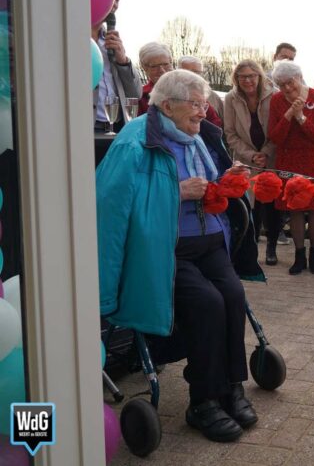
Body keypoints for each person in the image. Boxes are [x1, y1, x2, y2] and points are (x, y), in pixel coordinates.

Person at [96, 69, 261, 443]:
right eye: (196, 104)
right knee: (206, 303)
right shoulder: (135, 141)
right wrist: (178, 191)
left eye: (205, 104)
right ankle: (202, 401)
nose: (204, 112)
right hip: (166, 249)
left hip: (209, 241)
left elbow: (211, 184)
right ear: (167, 105)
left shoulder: (199, 137)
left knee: (233, 297)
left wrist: (228, 180)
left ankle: (231, 387)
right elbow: (112, 205)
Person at [268, 60, 314, 275]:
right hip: (290, 160)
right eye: (281, 84)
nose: (287, 88)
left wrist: (300, 117)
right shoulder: (277, 101)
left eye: (290, 83)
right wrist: (289, 114)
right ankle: (299, 256)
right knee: (294, 209)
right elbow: (276, 136)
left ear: (299, 77)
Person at [223, 60, 278, 263]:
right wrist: (251, 155)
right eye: (243, 76)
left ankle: (271, 247)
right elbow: (229, 134)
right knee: (250, 205)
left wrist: (265, 152)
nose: (248, 80)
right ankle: (251, 248)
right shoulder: (230, 98)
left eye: (252, 75)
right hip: (246, 160)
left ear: (259, 76)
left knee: (271, 204)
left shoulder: (274, 95)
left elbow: (278, 129)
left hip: (271, 157)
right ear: (236, 78)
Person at [91, 0, 141, 133]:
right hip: (84, 130)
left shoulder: (112, 41)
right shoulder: (70, 39)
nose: (113, 4)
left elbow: (136, 94)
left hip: (115, 129)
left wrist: (123, 61)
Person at [180, 55, 225, 122]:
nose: (195, 76)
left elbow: (222, 122)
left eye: (198, 73)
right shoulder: (171, 95)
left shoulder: (213, 97)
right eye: (190, 72)